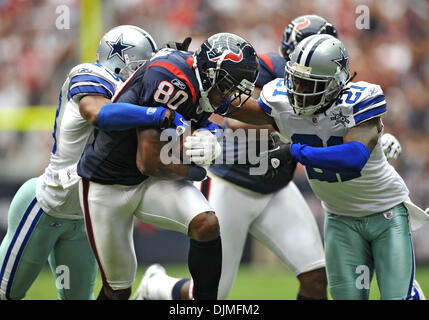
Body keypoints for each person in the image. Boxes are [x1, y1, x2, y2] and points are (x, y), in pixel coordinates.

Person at [133, 14, 339, 301]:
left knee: (316, 278)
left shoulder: (330, 88)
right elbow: (237, 120)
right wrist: (295, 124)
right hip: (232, 185)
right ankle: (156, 286)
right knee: (209, 296)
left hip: (276, 188)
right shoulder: (270, 69)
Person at [222, 33, 426, 300]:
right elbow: (238, 112)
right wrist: (205, 89)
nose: (298, 90)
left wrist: (295, 151)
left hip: (384, 213)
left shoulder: (359, 100)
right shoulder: (281, 100)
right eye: (296, 80)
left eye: (309, 84)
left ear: (335, 84)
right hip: (340, 218)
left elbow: (354, 157)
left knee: (397, 297)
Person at [0, 25, 193, 300]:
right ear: (121, 61)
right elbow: (98, 114)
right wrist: (157, 112)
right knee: (5, 293)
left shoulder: (138, 95)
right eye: (142, 66)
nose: (146, 74)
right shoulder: (90, 75)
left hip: (89, 215)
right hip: (47, 204)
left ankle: (151, 291)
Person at [76, 32, 259, 300]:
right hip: (109, 182)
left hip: (149, 179)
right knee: (118, 290)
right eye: (227, 86)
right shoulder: (172, 79)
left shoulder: (201, 82)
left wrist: (212, 134)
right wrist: (197, 169)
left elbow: (188, 121)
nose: (229, 95)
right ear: (210, 73)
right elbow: (149, 160)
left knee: (206, 224)